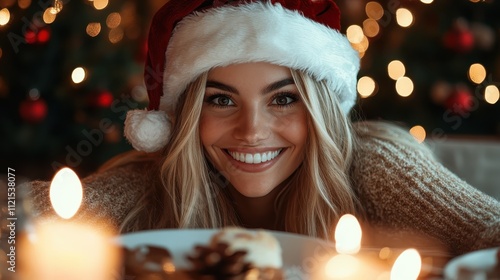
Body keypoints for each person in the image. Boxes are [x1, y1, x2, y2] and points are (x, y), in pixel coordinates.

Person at [28, 0, 499, 259]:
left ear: (320, 110)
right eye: (221, 99)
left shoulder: (378, 167)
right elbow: (15, 223)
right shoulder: (152, 182)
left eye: (283, 98)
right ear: (187, 116)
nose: (251, 130)